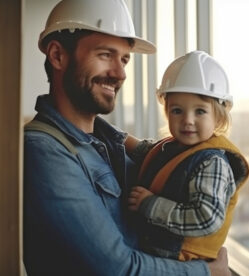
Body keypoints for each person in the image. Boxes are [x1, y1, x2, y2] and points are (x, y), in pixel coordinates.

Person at [23, 0, 230, 275]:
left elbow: (170, 162)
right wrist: (208, 272)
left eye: (123, 59)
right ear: (58, 55)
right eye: (105, 55)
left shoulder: (108, 142)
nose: (120, 74)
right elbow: (117, 268)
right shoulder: (43, 152)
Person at [127, 51, 249, 261]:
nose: (188, 120)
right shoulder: (175, 146)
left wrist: (151, 205)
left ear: (218, 117)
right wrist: (113, 135)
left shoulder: (213, 163)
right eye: (177, 111)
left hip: (183, 260)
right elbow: (149, 153)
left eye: (200, 111)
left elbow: (205, 218)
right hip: (159, 254)